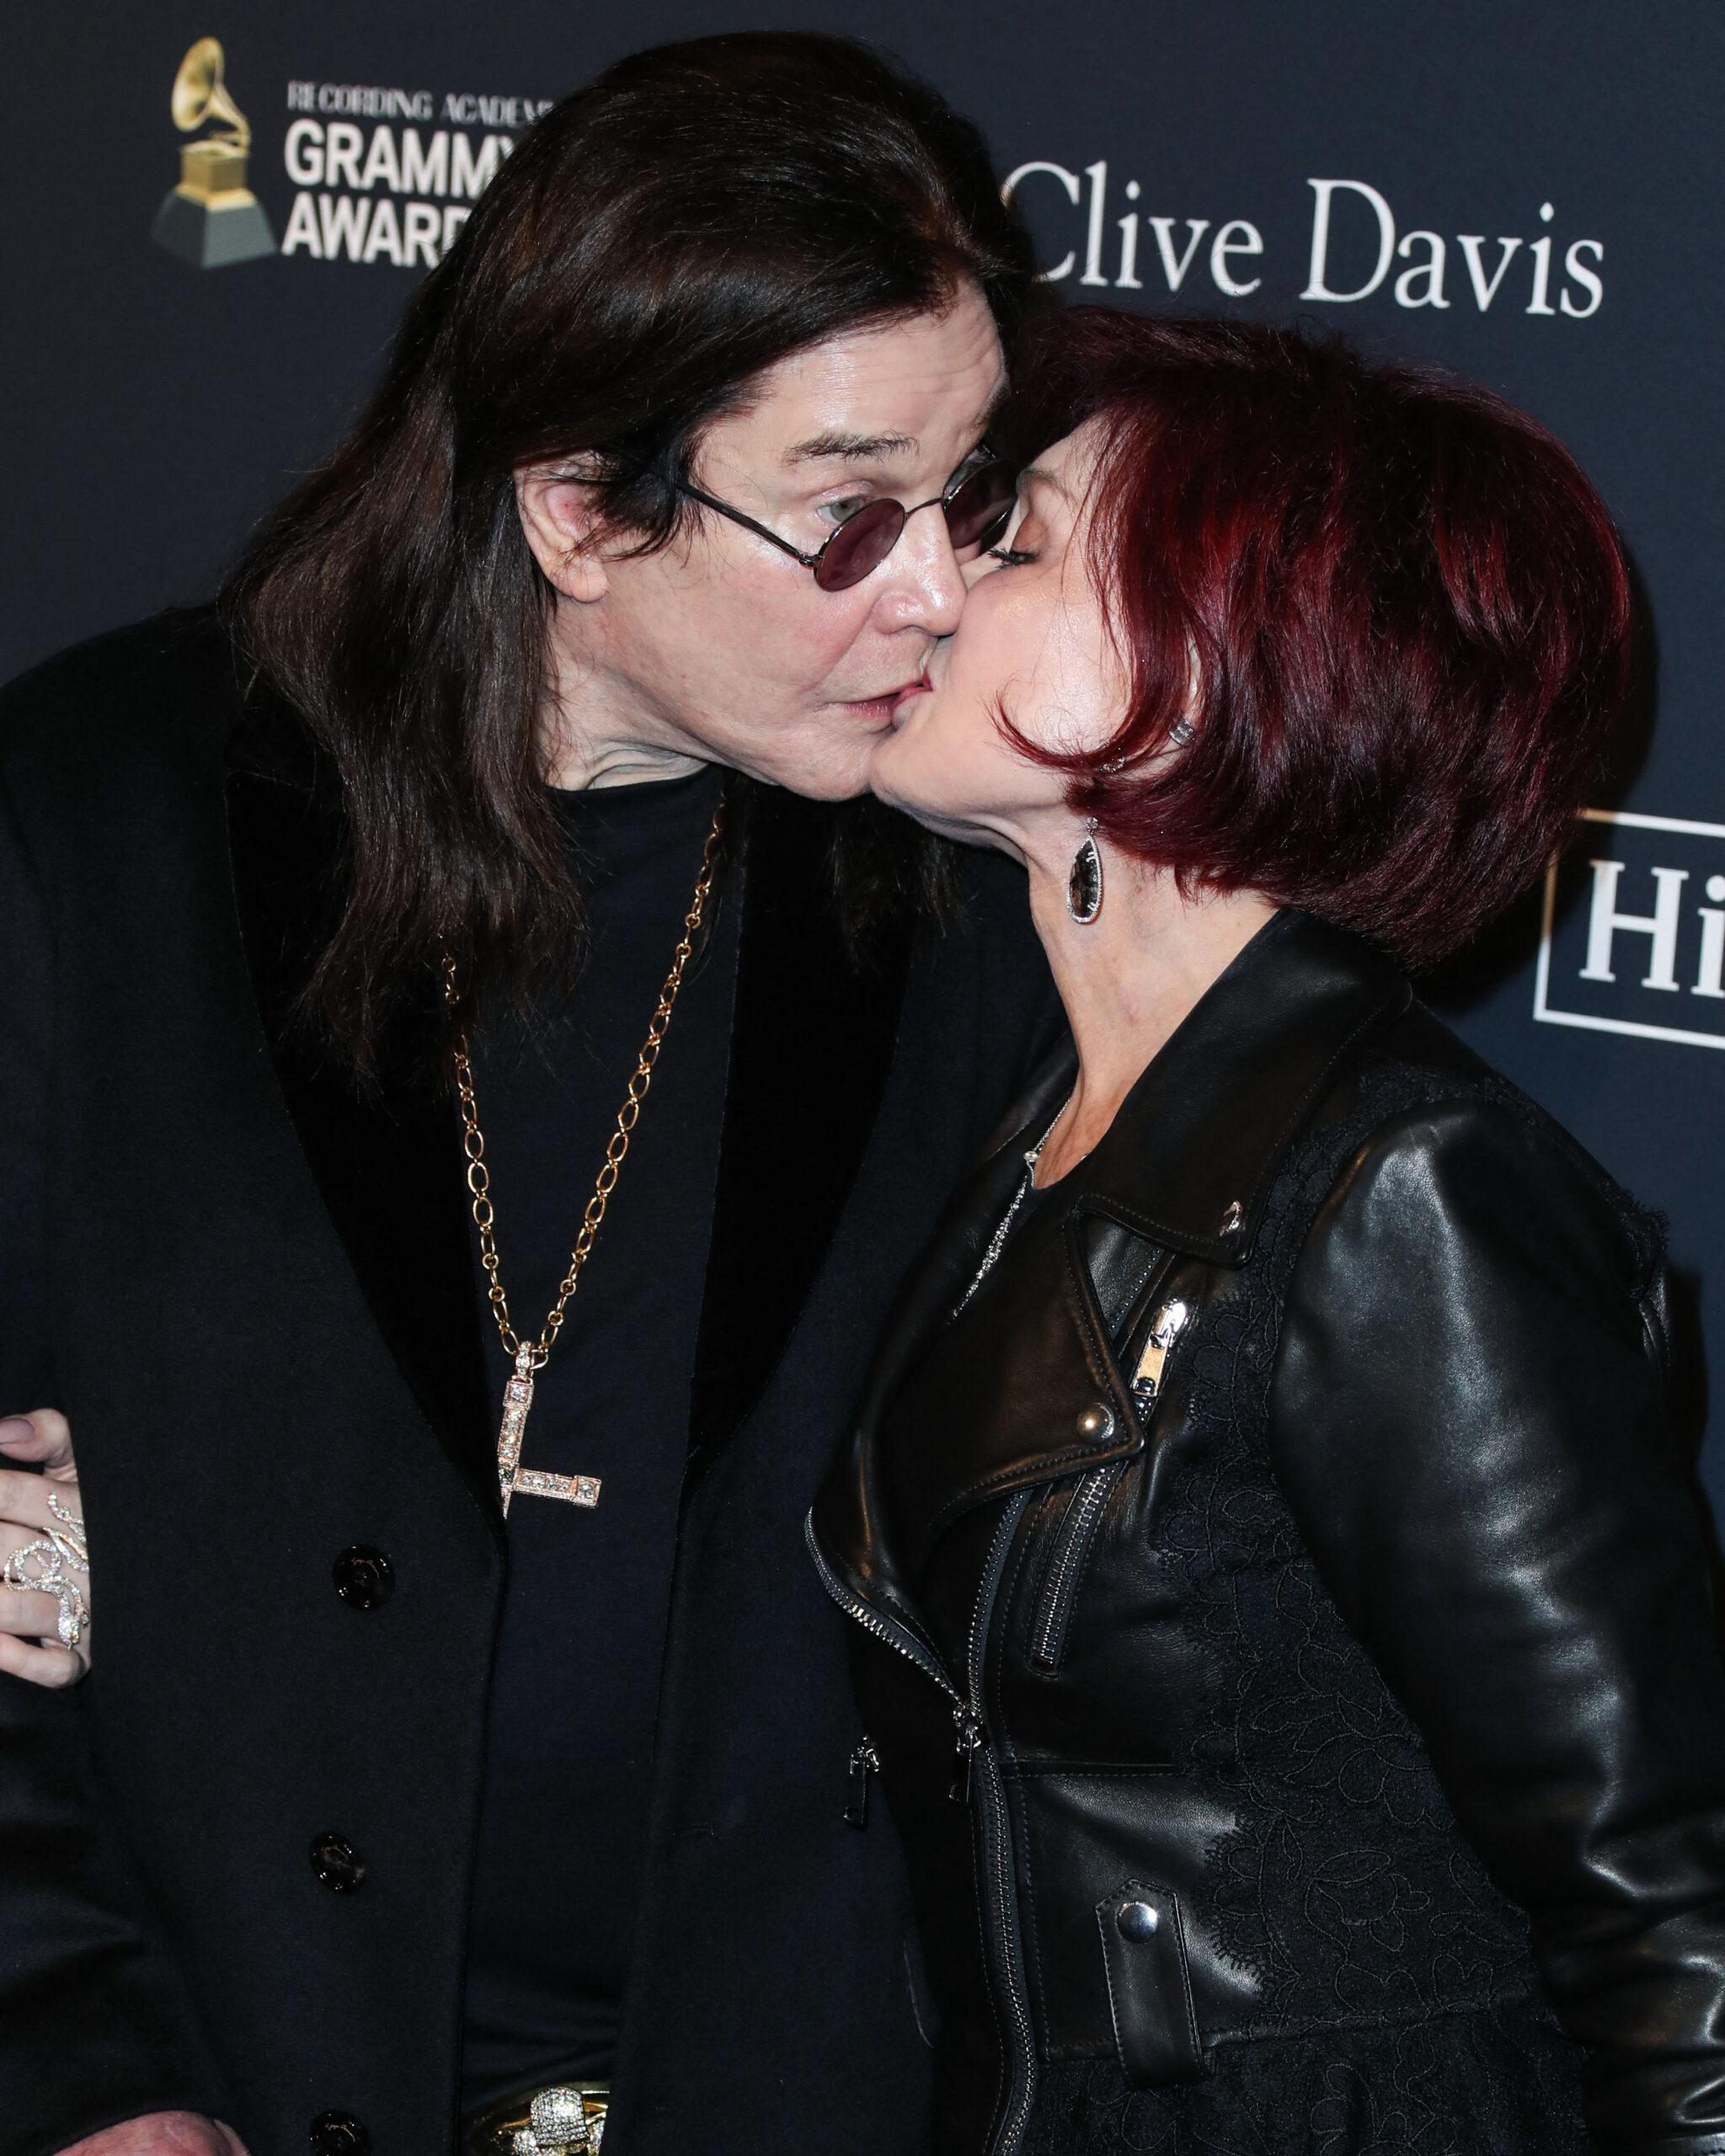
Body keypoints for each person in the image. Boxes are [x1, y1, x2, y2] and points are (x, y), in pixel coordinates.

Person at [0, 34, 1065, 2156]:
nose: (940, 594)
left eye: (971, 500)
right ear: (579, 506)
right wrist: (81, 2074)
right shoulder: (101, 825)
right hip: (205, 2074)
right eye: (852, 516)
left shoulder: (968, 912)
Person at [807, 309, 1725, 2154]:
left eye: (1022, 537)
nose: (923, 579)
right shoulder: (1032, 1136)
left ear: (1218, 669)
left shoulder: (1401, 1192)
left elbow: (1677, 1936)